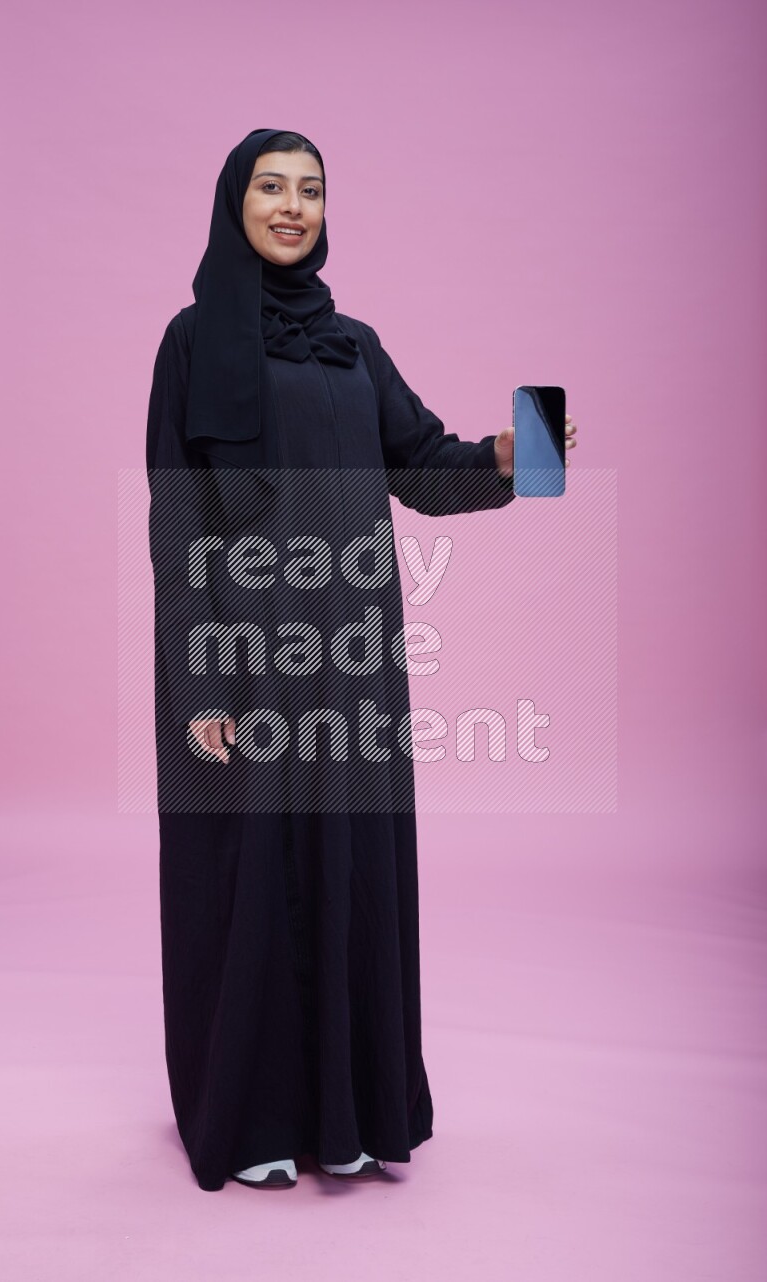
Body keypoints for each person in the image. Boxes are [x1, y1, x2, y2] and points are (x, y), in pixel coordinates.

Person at [146, 127, 578, 1192]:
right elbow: (175, 519)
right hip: (242, 657)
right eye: (270, 187)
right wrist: (197, 683)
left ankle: (346, 1110)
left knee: (347, 868)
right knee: (250, 878)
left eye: (310, 190)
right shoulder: (193, 340)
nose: (291, 206)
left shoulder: (355, 344)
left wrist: (513, 454)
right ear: (232, 202)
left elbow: (419, 464)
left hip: (351, 657)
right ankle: (247, 1117)